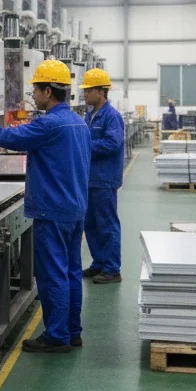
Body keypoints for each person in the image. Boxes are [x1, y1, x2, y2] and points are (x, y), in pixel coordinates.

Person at [0, 59, 90, 354]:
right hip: (75, 207)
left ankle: (57, 336)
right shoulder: (78, 123)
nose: (33, 95)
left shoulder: (49, 124)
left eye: (36, 90)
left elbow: (11, 138)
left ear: (47, 91)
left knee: (53, 273)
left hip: (53, 210)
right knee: (70, 271)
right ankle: (72, 330)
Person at [81, 69, 125, 285]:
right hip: (89, 179)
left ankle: (112, 269)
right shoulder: (90, 114)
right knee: (90, 224)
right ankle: (99, 262)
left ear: (100, 91)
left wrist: (84, 146)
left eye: (88, 90)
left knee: (106, 224)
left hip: (104, 179)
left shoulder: (111, 116)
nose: (85, 94)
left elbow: (112, 144)